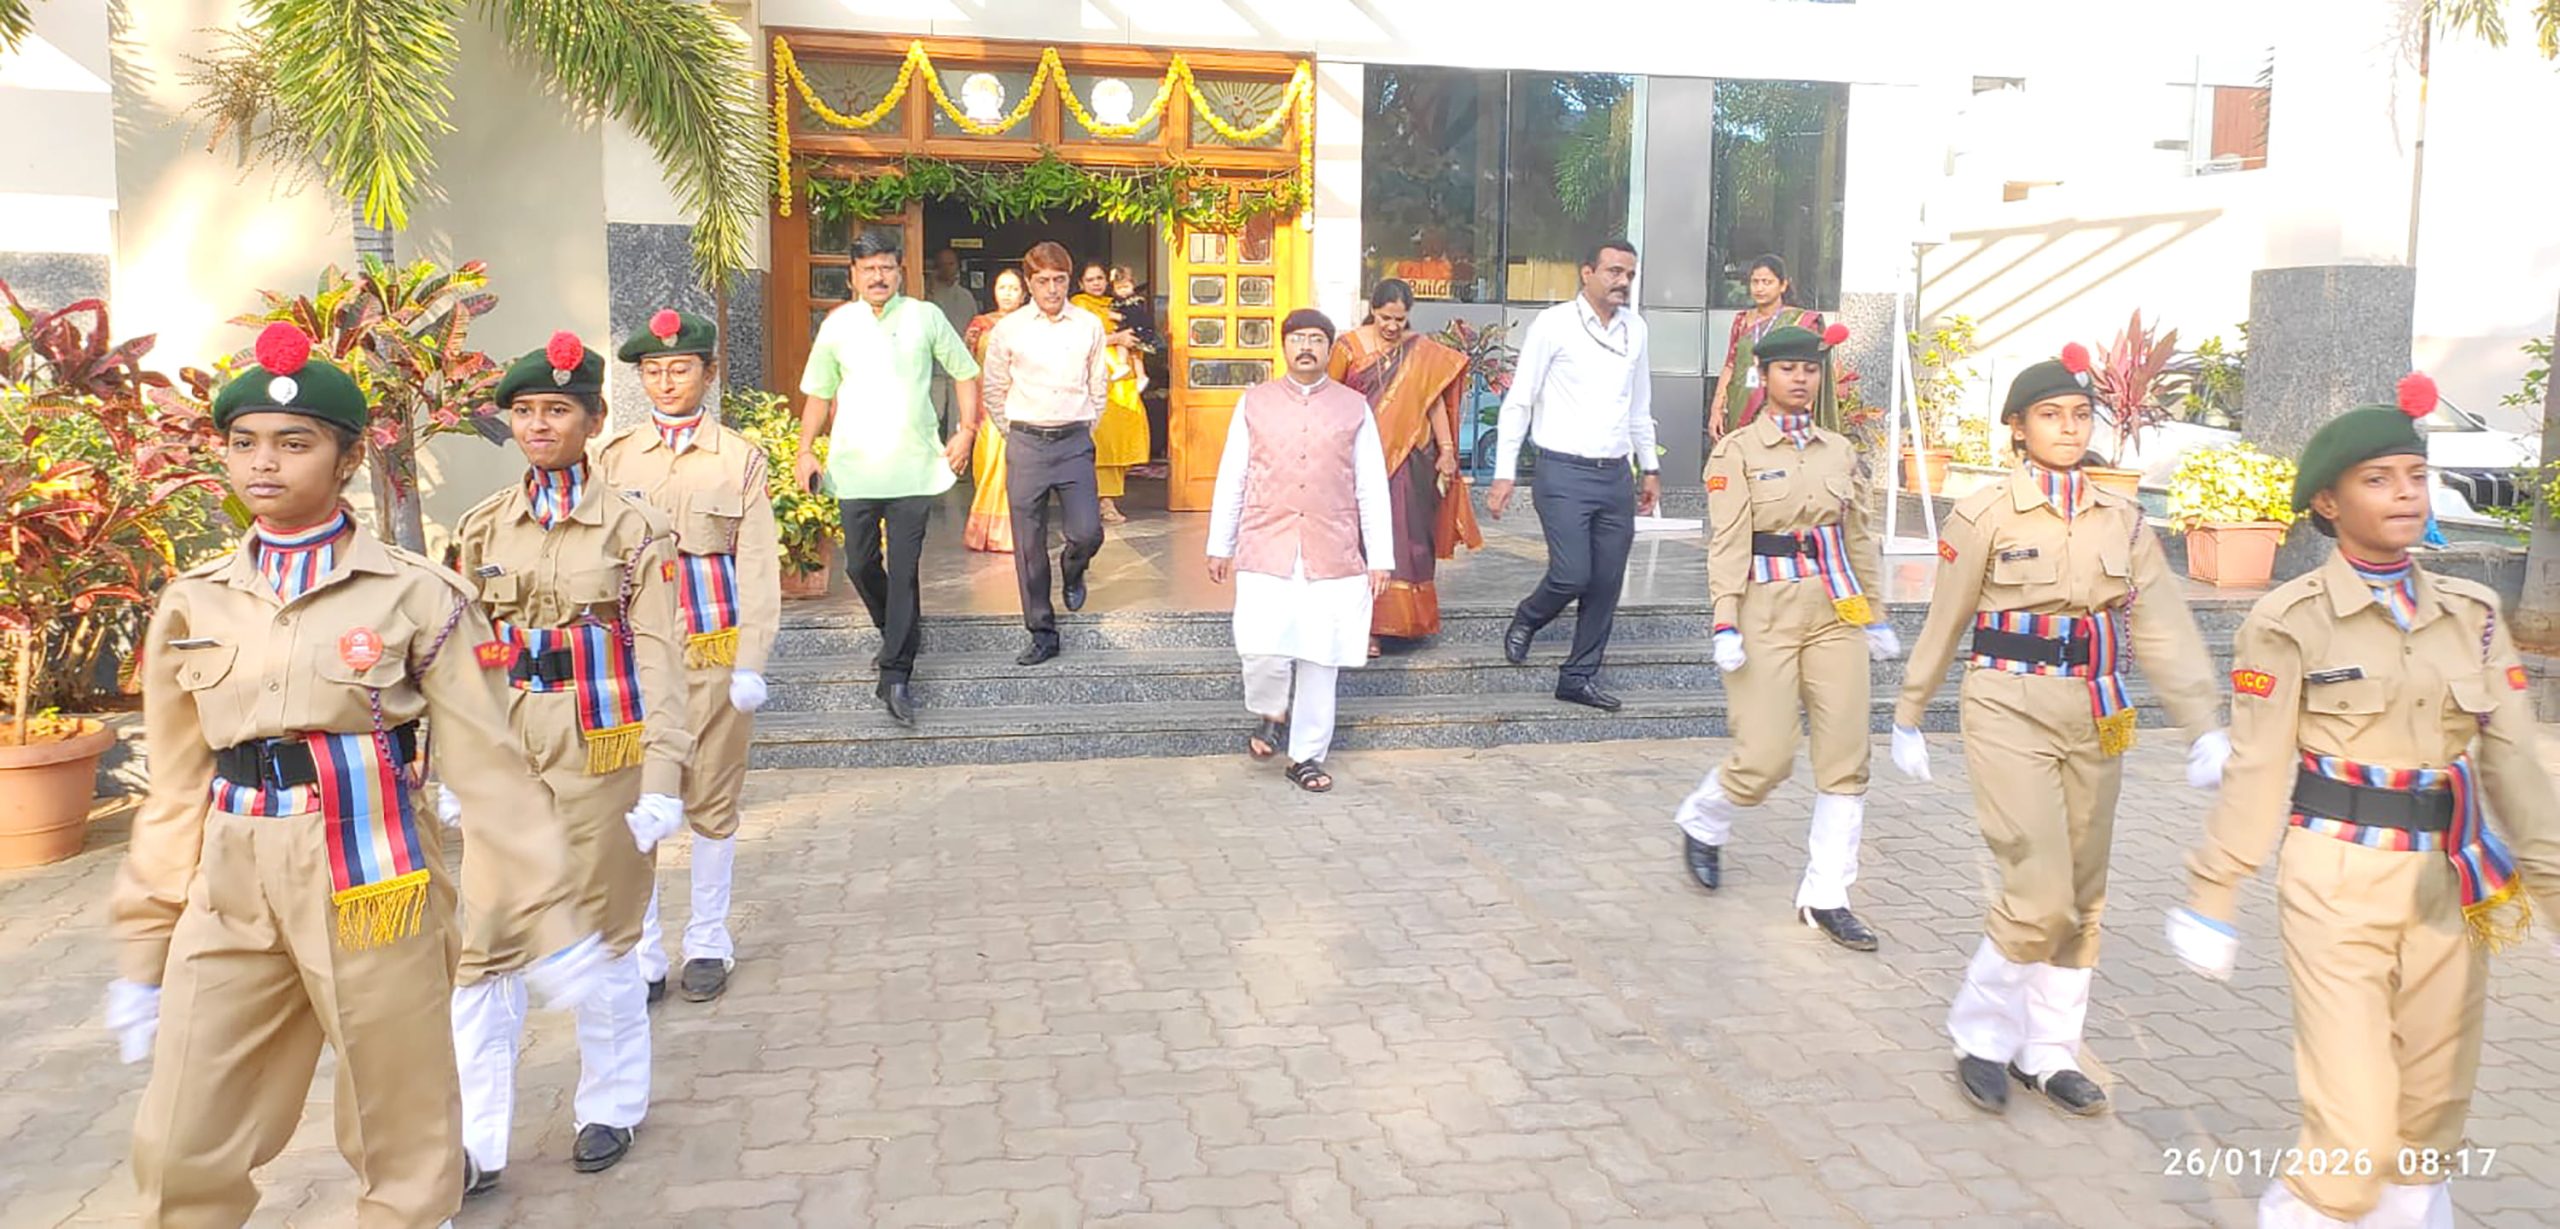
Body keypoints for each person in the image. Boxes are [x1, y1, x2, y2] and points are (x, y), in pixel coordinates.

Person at [103, 322, 606, 1226]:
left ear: (344, 461)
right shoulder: (194, 600)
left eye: (294, 444)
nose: (265, 464)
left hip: (373, 881)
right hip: (231, 878)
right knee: (180, 1140)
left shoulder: (416, 594)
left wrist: (552, 917)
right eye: (245, 443)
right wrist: (145, 950)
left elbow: (490, 772)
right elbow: (175, 786)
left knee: (399, 1135)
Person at [2168, 373, 2560, 1229]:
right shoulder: (2289, 619)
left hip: (2450, 884)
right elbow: (2259, 768)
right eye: (2378, 480)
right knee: (2351, 1136)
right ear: (2328, 504)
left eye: (2414, 476)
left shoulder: (2475, 614)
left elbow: (2517, 767)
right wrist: (2214, 888)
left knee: (2429, 1118)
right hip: (2335, 879)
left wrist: (2554, 888)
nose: (2405, 494)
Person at [1889, 343, 2228, 1118]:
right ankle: (1980, 1033)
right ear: (2017, 428)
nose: (2070, 428)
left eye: (2081, 415)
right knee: (2038, 892)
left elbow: (2165, 627)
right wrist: (1911, 710)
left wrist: (2203, 721)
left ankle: (2048, 1050)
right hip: (2008, 706)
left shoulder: (2124, 518)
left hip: (2097, 709)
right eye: (2051, 415)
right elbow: (1945, 620)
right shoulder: (1982, 513)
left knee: (2083, 893)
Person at [446, 332, 693, 1189]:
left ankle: (611, 1103)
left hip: (603, 747)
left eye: (558, 409)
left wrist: (664, 778)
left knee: (607, 929)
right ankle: (477, 1139)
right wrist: (454, 765)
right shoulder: (482, 529)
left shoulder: (636, 529)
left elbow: (662, 656)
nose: (539, 424)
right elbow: (459, 656)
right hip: (509, 749)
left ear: (592, 420)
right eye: (524, 411)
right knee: (483, 940)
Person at [1676, 323, 1901, 951]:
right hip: (1765, 611)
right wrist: (1724, 619)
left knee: (1846, 758)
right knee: (1766, 756)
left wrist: (1876, 614)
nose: (1800, 379)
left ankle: (1827, 894)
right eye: (1787, 369)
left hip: (1836, 612)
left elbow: (1858, 538)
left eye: (1809, 369)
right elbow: (1727, 543)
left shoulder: (1840, 451)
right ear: (1764, 377)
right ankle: (1705, 816)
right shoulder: (1738, 452)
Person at [599, 309, 781, 1005]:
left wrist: (751, 658)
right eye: (652, 370)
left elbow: (758, 564)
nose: (666, 381)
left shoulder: (737, 457)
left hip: (712, 649)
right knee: (637, 796)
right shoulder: (615, 459)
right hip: (641, 656)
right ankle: (644, 947)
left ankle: (707, 937)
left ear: (708, 372)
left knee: (713, 793)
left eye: (679, 368)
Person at [796, 230, 984, 725]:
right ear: (853, 275)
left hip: (914, 466)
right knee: (859, 566)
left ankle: (896, 671)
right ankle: (899, 632)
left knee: (904, 569)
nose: (878, 276)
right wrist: (804, 452)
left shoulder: (925, 317)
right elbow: (818, 393)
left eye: (887, 267)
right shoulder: (837, 326)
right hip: (854, 467)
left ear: (901, 271)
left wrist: (966, 431)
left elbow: (965, 373)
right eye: (868, 268)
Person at [1207, 308, 1394, 793]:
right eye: (1298, 338)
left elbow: (1372, 484)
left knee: (1320, 657)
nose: (1307, 346)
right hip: (1266, 543)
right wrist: (1219, 543)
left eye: (1316, 339)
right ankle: (1271, 708)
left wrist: (1380, 557)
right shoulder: (1254, 403)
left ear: (1330, 350)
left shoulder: (1354, 407)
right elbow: (1233, 476)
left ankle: (1306, 756)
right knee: (1259, 646)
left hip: (1332, 550)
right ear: (1284, 346)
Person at [1487, 238, 1661, 712]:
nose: (1623, 281)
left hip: (1615, 475)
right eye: (1614, 272)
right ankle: (1529, 616)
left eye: (1629, 273)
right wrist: (1504, 474)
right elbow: (1520, 399)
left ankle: (1578, 676)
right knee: (1571, 573)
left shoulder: (1636, 331)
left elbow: (1639, 404)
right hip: (1562, 471)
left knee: (1606, 581)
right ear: (1587, 272)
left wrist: (1650, 467)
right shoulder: (1554, 325)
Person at [1331, 279, 1482, 658]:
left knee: (1409, 538)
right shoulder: (1349, 347)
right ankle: (1365, 627)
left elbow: (1432, 402)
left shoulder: (1421, 351)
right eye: (1386, 318)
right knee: (1362, 542)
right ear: (1373, 310)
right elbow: (1329, 399)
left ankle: (1407, 622)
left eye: (1400, 319)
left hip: (1410, 460)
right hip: (1360, 459)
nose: (1393, 327)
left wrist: (1447, 450)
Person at [982, 242, 1111, 666]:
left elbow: (1098, 385)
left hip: (1074, 440)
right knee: (1028, 546)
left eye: (1059, 280)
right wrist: (1016, 432)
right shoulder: (1009, 330)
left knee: (1088, 531)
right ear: (1028, 283)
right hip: (1027, 442)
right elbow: (995, 390)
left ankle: (1074, 569)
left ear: (1068, 280)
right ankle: (1042, 632)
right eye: (1042, 281)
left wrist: (1082, 424)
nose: (1052, 289)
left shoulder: (1088, 325)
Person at [1708, 254, 1825, 442]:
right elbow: (1730, 365)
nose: (1760, 288)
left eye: (1767, 282)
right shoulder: (1742, 320)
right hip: (1741, 405)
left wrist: (1801, 417)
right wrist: (1716, 409)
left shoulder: (1798, 322)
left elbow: (1807, 372)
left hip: (1781, 409)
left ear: (1783, 285)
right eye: (1755, 282)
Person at [1075, 260, 1151, 524]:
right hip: (1097, 377)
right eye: (1090, 279)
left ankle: (1109, 499)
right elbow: (1079, 339)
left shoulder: (1114, 304)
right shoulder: (1078, 307)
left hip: (1122, 379)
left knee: (1119, 439)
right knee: (1102, 441)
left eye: (1099, 278)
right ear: (1080, 284)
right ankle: (1102, 501)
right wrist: (1116, 339)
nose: (1096, 283)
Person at [964, 269, 1028, 553]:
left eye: (1013, 288)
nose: (1007, 293)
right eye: (1002, 287)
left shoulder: (1031, 325)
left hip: (1020, 405)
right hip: (985, 405)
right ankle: (982, 532)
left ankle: (1008, 534)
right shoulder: (979, 325)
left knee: (1012, 467)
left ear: (1024, 293)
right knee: (986, 465)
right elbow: (965, 367)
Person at [926, 247, 980, 436]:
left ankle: (956, 463)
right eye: (943, 264)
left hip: (960, 370)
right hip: (934, 369)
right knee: (931, 417)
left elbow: (975, 328)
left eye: (951, 264)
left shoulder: (966, 297)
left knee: (960, 421)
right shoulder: (928, 297)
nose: (947, 268)